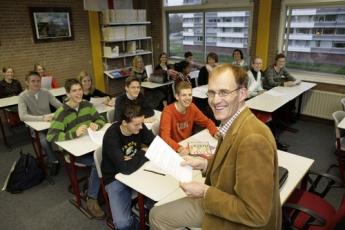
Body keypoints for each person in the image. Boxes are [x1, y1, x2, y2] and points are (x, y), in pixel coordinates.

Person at [150, 64, 281, 229]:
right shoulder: (234, 124)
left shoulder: (253, 139)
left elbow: (255, 214)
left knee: (155, 216)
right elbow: (231, 164)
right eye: (211, 92)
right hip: (223, 194)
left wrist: (205, 192)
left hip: (234, 219)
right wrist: (205, 164)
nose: (215, 100)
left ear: (242, 94)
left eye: (224, 92)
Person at [47, 78, 106, 219]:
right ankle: (91, 198)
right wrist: (73, 133)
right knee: (97, 163)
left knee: (105, 157)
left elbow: (101, 120)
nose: (78, 93)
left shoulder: (87, 105)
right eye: (74, 91)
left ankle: (96, 185)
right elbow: (51, 136)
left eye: (80, 89)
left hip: (89, 146)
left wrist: (97, 125)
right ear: (67, 94)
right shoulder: (61, 112)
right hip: (73, 153)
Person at [102, 104, 155, 230]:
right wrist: (143, 152)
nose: (141, 127)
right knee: (122, 224)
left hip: (138, 169)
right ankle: (138, 224)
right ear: (125, 123)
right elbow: (125, 169)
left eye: (142, 123)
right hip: (115, 177)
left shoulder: (138, 125)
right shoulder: (112, 136)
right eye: (136, 125)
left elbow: (155, 143)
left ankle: (144, 207)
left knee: (161, 192)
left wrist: (133, 160)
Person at [18, 71, 62, 176]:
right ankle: (54, 161)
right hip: (36, 127)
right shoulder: (22, 96)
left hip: (50, 124)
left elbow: (60, 105)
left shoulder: (45, 92)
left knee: (66, 131)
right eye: (33, 81)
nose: (36, 83)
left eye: (38, 81)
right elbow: (22, 116)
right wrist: (42, 118)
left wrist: (57, 113)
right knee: (44, 141)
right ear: (27, 82)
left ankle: (67, 154)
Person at [159, 81, 218, 155]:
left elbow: (207, 122)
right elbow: (165, 137)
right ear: (177, 96)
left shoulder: (192, 107)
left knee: (212, 154)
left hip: (188, 145)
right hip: (173, 149)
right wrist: (179, 148)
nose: (188, 98)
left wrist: (215, 132)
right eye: (184, 95)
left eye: (190, 95)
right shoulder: (168, 112)